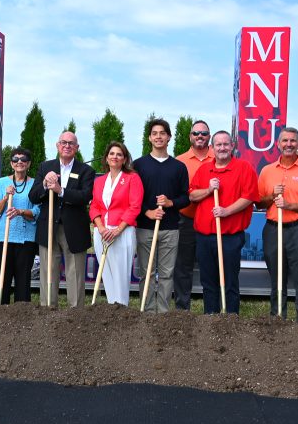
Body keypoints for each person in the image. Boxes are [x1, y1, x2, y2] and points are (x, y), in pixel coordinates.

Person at [257, 127, 298, 323]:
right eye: (285, 141)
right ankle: (278, 320)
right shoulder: (267, 171)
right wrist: (271, 196)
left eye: (293, 141)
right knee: (277, 278)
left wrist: (290, 205)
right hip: (272, 228)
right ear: (278, 144)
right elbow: (258, 202)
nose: (288, 144)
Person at [188, 131, 258, 314]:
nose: (222, 148)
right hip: (204, 236)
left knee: (230, 280)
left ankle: (230, 318)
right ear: (212, 148)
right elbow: (192, 195)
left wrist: (227, 211)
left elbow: (249, 197)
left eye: (226, 144)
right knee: (208, 281)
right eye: (218, 145)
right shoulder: (204, 170)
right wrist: (209, 190)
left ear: (232, 146)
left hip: (230, 237)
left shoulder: (244, 168)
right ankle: (210, 318)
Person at [30, 131, 95, 307]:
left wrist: (61, 191)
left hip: (74, 230)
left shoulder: (86, 171)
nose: (67, 146)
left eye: (71, 143)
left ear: (77, 148)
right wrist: (44, 184)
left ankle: (75, 314)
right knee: (48, 271)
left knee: (75, 273)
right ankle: (48, 311)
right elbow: (33, 196)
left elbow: (85, 196)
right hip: (48, 228)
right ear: (57, 145)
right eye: (63, 142)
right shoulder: (45, 167)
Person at [133, 119, 189, 312]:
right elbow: (132, 197)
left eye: (162, 133)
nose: (158, 136)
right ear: (149, 138)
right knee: (146, 273)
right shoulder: (138, 165)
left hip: (170, 228)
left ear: (169, 137)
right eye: (155, 133)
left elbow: (186, 198)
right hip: (145, 228)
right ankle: (147, 311)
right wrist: (147, 211)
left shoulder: (179, 167)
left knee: (166, 274)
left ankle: (163, 314)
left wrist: (170, 203)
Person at [90, 141, 144, 306]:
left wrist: (118, 230)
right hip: (102, 232)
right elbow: (94, 207)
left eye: (119, 154)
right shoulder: (99, 181)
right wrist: (100, 227)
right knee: (106, 273)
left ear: (124, 158)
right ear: (106, 158)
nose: (115, 157)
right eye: (112, 154)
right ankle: (110, 307)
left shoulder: (132, 178)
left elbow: (134, 207)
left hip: (123, 232)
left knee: (121, 274)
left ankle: (121, 309)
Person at [0, 147, 40, 303]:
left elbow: (37, 211)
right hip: (1, 237)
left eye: (23, 159)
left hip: (25, 238)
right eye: (15, 159)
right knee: (3, 277)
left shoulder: (35, 184)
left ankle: (21, 316)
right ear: (11, 164)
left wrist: (20, 211)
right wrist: (5, 197)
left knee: (23, 278)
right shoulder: (2, 182)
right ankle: (0, 312)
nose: (19, 162)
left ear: (29, 163)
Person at [174, 120, 214, 310]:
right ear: (190, 136)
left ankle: (212, 309)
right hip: (186, 220)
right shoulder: (179, 161)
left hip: (213, 221)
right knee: (183, 266)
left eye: (204, 133)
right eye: (196, 133)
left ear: (210, 136)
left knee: (212, 267)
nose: (200, 136)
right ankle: (182, 310)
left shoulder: (221, 157)